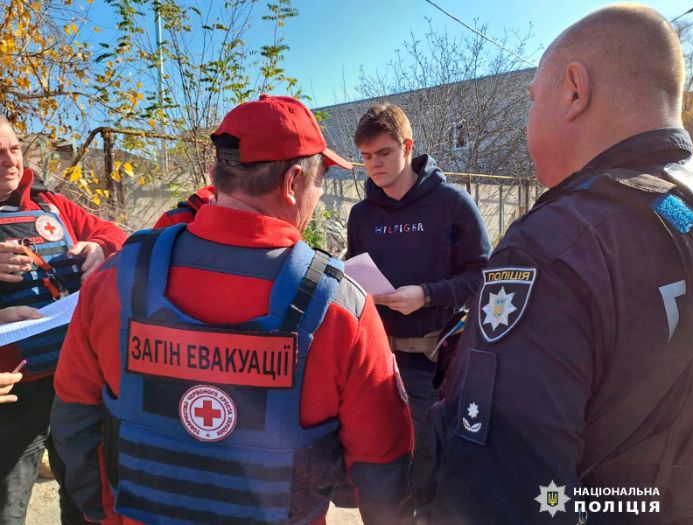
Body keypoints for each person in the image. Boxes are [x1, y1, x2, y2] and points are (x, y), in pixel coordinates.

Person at [51, 94, 413, 525]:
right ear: (293, 182)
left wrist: (104, 516)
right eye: (320, 181)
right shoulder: (340, 308)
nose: (319, 193)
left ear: (214, 175)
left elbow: (73, 421)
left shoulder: (115, 280)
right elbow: (381, 465)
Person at [430, 4, 693, 524]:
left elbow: (504, 494)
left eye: (533, 100)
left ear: (575, 91)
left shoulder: (554, 246)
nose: (528, 119)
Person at [346, 103, 491, 514]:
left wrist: (425, 294)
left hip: (431, 364)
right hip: (374, 359)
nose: (375, 164)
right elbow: (356, 271)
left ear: (407, 147)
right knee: (376, 472)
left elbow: (484, 277)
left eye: (384, 153)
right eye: (367, 157)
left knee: (425, 471)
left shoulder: (451, 204)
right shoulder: (362, 215)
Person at [0, 116, 127, 524]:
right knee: (8, 504)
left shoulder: (52, 204)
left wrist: (99, 247)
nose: (10, 162)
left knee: (85, 496)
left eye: (15, 149)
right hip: (15, 391)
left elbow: (115, 234)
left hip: (77, 380)